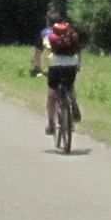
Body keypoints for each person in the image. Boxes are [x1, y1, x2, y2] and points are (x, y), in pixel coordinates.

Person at [30, 7, 83, 136]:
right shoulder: (70, 32)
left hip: (55, 65)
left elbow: (37, 56)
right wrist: (78, 65)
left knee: (52, 94)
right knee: (69, 85)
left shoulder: (45, 33)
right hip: (72, 63)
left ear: (48, 22)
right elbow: (78, 50)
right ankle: (73, 104)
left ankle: (51, 124)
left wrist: (39, 69)